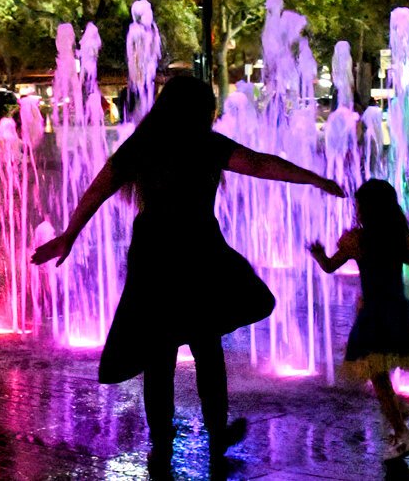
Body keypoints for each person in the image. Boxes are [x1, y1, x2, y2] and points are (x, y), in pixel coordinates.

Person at [31, 76, 345, 473]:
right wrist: (314, 178)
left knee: (158, 355)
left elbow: (97, 191)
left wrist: (70, 235)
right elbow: (262, 164)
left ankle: (162, 444)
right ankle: (215, 436)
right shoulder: (207, 144)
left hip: (154, 253)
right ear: (201, 111)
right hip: (197, 250)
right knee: (206, 348)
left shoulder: (143, 146)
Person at [307, 179, 409, 461]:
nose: (355, 211)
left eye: (358, 206)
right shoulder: (398, 239)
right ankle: (398, 410)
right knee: (379, 374)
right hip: (398, 311)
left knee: (377, 377)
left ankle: (402, 434)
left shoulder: (356, 241)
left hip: (373, 316)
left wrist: (318, 253)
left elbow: (329, 267)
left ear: (368, 209)